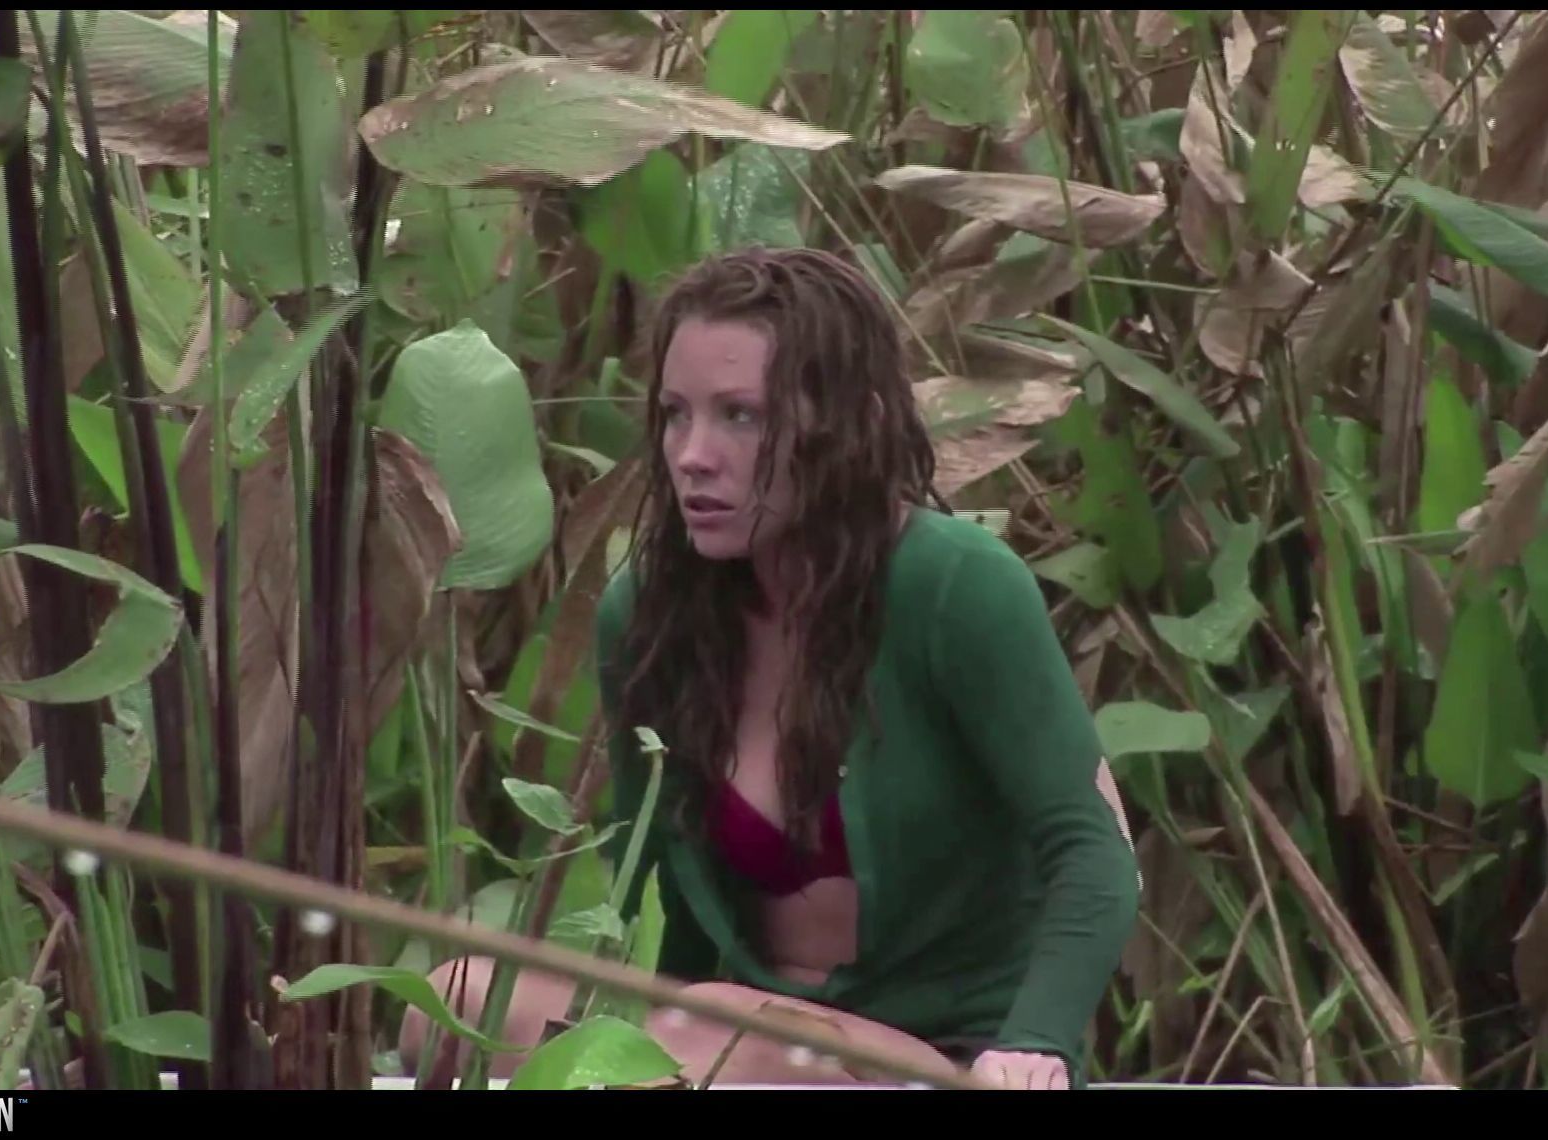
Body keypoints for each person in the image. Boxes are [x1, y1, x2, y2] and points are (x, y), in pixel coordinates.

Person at [402, 246, 1141, 1090]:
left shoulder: (957, 586)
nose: (693, 454)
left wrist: (1035, 1044)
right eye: (675, 414)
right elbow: (657, 895)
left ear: (850, 423)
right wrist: (630, 1028)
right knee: (451, 1001)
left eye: (741, 416)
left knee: (713, 1035)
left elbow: (1095, 850)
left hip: (936, 1056)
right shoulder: (646, 617)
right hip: (727, 1028)